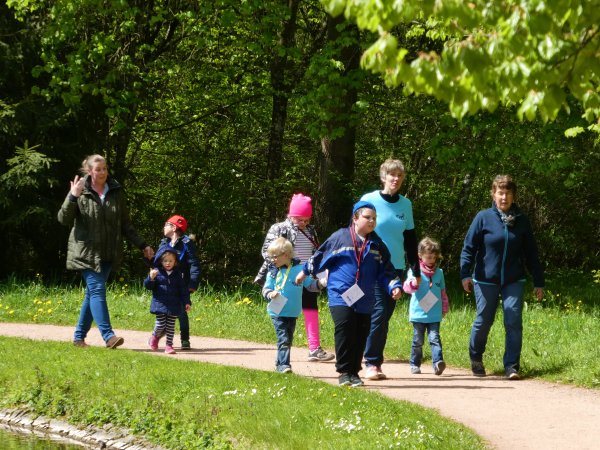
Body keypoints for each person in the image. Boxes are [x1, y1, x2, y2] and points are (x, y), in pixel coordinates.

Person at [296, 201, 402, 387]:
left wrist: (394, 286)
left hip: (365, 298)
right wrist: (304, 272)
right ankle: (344, 372)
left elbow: (386, 271)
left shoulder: (377, 244)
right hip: (340, 295)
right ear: (355, 218)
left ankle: (354, 372)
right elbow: (320, 255)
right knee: (345, 330)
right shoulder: (340, 238)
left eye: (374, 218)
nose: (371, 221)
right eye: (367, 217)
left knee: (361, 333)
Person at [58, 154, 154, 349]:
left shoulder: (115, 191)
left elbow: (125, 224)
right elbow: (63, 219)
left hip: (109, 253)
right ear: (89, 171)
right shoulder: (81, 191)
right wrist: (72, 196)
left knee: (92, 294)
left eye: (105, 168)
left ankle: (78, 338)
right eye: (98, 169)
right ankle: (109, 336)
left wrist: (143, 245)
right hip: (86, 253)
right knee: (97, 291)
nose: (102, 172)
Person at [460, 175, 544, 380]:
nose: (504, 197)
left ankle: (512, 366)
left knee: (513, 319)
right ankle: (476, 357)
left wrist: (539, 281)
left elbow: (532, 252)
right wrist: (465, 274)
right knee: (484, 320)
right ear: (493, 194)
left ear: (513, 196)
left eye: (507, 193)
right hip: (485, 278)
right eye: (500, 193)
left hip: (514, 279)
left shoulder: (522, 220)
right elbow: (468, 248)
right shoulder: (483, 217)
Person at [255, 193, 334, 362]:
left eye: (307, 220)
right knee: (284, 312)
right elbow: (267, 252)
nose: (304, 223)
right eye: (300, 220)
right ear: (291, 215)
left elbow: (317, 254)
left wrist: (320, 274)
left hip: (307, 275)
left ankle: (314, 348)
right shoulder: (279, 228)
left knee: (311, 308)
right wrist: (281, 270)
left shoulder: (311, 230)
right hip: (286, 276)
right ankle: (283, 347)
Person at [360, 159, 420, 381]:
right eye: (391, 174)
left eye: (399, 176)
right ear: (383, 176)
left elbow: (410, 239)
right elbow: (356, 230)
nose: (395, 179)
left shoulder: (406, 204)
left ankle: (364, 354)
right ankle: (372, 362)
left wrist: (416, 270)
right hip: (370, 266)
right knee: (378, 313)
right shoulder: (369, 200)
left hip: (395, 268)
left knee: (383, 316)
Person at [262, 237, 325, 373]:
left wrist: (322, 282)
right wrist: (270, 293)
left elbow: (310, 285)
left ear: (286, 255)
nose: (272, 260)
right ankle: (284, 365)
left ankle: (279, 363)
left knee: (288, 340)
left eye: (275, 257)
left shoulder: (299, 270)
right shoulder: (273, 271)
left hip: (293, 312)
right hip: (277, 312)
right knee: (283, 338)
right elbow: (265, 289)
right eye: (271, 257)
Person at [403, 237, 449, 376]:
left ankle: (437, 363)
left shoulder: (439, 272)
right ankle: (414, 363)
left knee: (434, 338)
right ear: (420, 256)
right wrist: (413, 284)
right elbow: (406, 288)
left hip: (434, 314)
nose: (431, 260)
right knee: (418, 340)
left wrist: (444, 307)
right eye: (428, 257)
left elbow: (443, 292)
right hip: (418, 313)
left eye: (434, 257)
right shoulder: (415, 271)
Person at [157, 215, 200, 350]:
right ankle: (159, 334)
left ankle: (185, 339)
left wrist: (192, 284)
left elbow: (194, 265)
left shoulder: (187, 244)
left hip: (181, 284)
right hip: (164, 284)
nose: (164, 227)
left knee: (181, 312)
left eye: (166, 224)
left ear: (174, 227)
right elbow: (156, 262)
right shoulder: (164, 243)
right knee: (163, 311)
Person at [144, 247, 191, 355]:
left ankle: (169, 346)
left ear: (175, 262)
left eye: (170, 261)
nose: (168, 263)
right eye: (165, 261)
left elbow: (183, 290)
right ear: (161, 261)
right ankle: (154, 337)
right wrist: (150, 278)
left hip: (174, 304)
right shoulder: (156, 272)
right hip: (160, 303)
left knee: (170, 327)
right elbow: (148, 286)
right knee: (160, 324)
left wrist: (187, 302)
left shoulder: (178, 274)